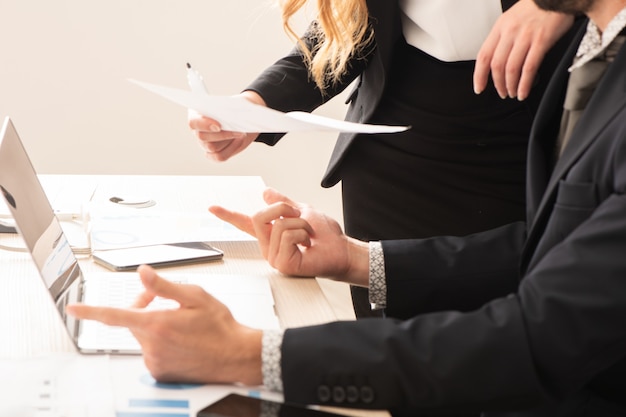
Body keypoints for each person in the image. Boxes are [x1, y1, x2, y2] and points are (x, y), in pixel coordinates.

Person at [69, 1, 626, 414]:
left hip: (501, 162)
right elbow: (355, 27)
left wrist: (250, 355)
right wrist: (361, 260)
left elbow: (535, 333)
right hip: (393, 176)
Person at [188, 0, 578, 318]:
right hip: (386, 171)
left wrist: (557, 6)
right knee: (388, 363)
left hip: (516, 159)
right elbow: (356, 25)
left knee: (498, 357)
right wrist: (256, 105)